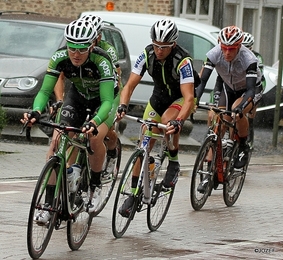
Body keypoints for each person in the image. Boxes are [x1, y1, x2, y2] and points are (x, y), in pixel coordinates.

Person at [21, 19, 119, 221]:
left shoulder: (102, 60)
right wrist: (36, 111)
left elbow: (108, 101)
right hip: (78, 97)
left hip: (104, 101)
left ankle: (95, 186)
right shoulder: (59, 57)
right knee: (57, 143)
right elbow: (44, 91)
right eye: (72, 48)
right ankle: (48, 204)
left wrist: (94, 121)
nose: (75, 54)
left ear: (92, 45)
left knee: (94, 138)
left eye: (81, 49)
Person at [116, 18, 197, 217]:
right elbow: (129, 85)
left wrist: (179, 122)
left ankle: (174, 162)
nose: (159, 50)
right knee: (143, 145)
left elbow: (188, 97)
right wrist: (123, 106)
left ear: (173, 44)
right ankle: (133, 193)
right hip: (157, 99)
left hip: (179, 99)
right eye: (156, 45)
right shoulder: (147, 54)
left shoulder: (183, 61)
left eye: (164, 47)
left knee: (168, 122)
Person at [52, 14, 122, 178]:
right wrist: (60, 100)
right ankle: (72, 171)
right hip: (82, 93)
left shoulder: (107, 51)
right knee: (72, 132)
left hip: (106, 92)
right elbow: (59, 76)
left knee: (102, 133)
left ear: (97, 35)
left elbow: (116, 76)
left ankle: (112, 152)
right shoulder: (74, 50)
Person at [196, 26, 263, 183]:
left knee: (236, 111)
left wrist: (241, 108)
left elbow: (251, 90)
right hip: (229, 87)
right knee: (221, 119)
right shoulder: (214, 53)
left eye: (231, 49)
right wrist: (195, 99)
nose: (227, 52)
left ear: (239, 46)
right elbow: (203, 80)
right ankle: (212, 167)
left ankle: (243, 147)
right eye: (224, 48)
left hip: (249, 90)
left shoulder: (249, 59)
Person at [242, 32, 266, 145]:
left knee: (251, 111)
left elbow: (259, 77)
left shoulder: (257, 57)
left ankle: (249, 134)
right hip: (241, 84)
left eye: (247, 47)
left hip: (257, 82)